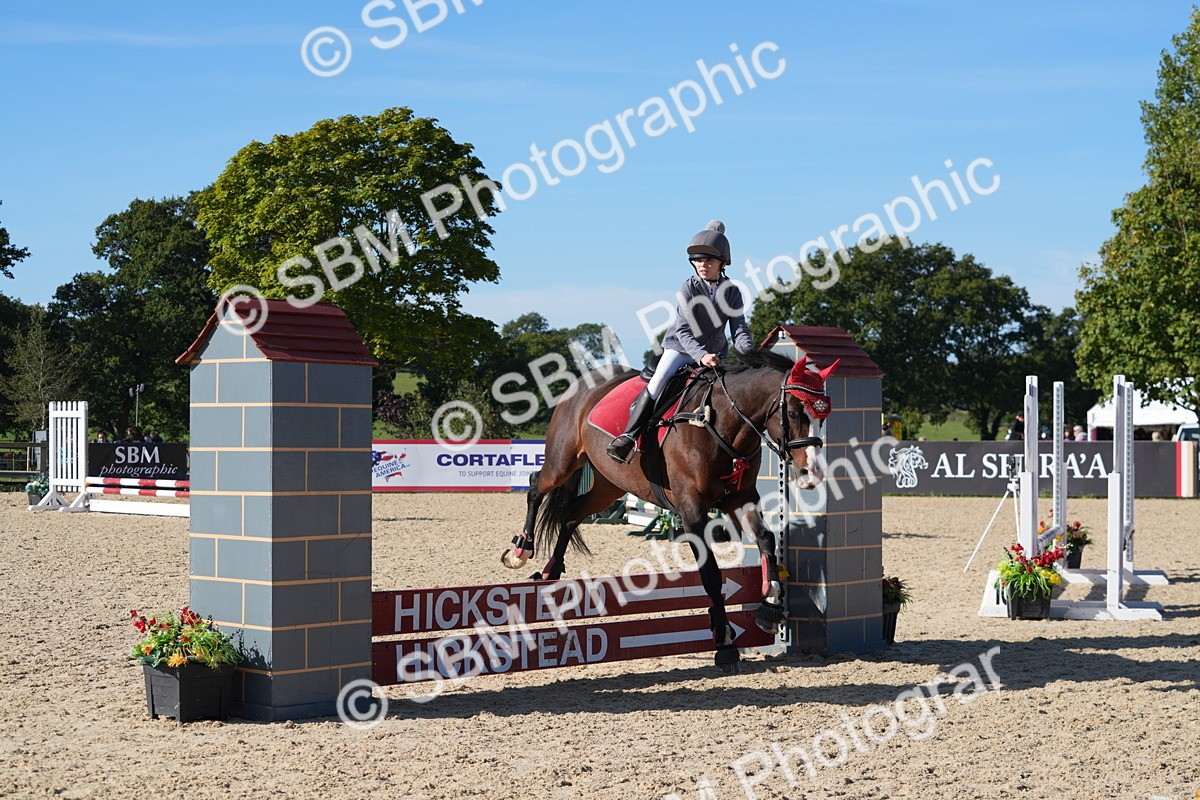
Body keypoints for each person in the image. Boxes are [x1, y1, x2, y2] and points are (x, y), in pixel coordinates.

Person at [607, 220, 755, 463]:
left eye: (708, 260)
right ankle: (628, 437)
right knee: (658, 383)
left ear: (722, 262)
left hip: (716, 355)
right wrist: (701, 356)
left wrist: (751, 357)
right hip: (682, 349)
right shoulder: (688, 288)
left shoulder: (732, 291)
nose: (702, 265)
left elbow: (739, 330)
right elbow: (685, 332)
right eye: (698, 260)